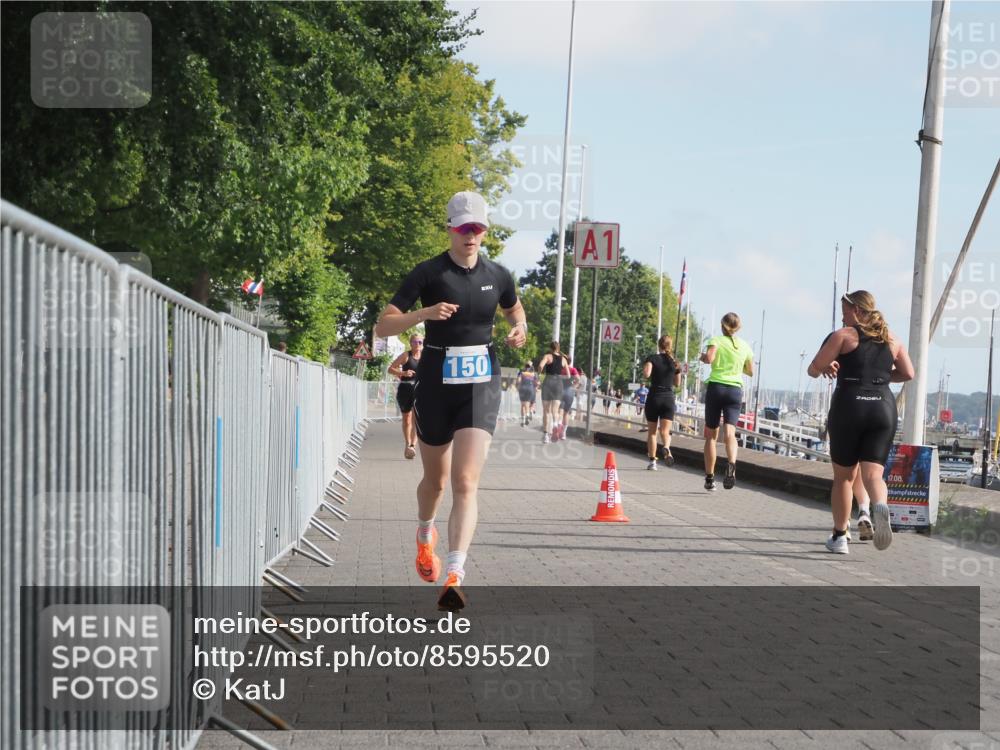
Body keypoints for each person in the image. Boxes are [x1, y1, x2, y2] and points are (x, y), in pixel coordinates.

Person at [374, 190, 527, 610]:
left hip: (481, 383)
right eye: (464, 229)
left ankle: (455, 575)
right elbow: (384, 326)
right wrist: (423, 314)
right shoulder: (428, 273)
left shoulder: (499, 274)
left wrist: (520, 329)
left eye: (478, 228)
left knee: (465, 481)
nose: (471, 236)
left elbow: (516, 311)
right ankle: (425, 532)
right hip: (436, 383)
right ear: (450, 230)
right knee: (436, 482)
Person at [807, 290, 914, 554]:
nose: (843, 317)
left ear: (857, 311)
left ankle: (840, 537)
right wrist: (879, 378)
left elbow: (813, 368)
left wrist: (827, 366)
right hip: (883, 407)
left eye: (845, 311)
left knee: (844, 478)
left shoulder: (843, 336)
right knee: (873, 475)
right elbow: (908, 373)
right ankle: (880, 507)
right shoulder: (892, 339)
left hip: (849, 405)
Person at [700, 313, 754, 491]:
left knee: (711, 436)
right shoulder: (745, 346)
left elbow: (709, 358)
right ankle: (731, 465)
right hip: (734, 390)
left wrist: (703, 357)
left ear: (723, 326)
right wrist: (736, 366)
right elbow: (750, 371)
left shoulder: (716, 340)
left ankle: (709, 478)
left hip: (717, 388)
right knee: (730, 432)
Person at [643, 335, 681, 470]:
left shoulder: (652, 358)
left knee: (652, 432)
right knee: (665, 431)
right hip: (668, 399)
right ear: (670, 346)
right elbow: (677, 383)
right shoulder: (675, 362)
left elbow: (647, 374)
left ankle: (653, 462)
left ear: (659, 345)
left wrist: (646, 368)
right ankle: (666, 448)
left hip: (654, 397)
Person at [388, 334, 423, 459]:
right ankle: (407, 444)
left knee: (417, 419)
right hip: (405, 389)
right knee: (407, 419)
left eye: (420, 342)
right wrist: (403, 372)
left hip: (420, 390)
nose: (417, 344)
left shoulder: (426, 356)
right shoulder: (405, 356)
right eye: (415, 342)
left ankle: (412, 446)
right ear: (410, 343)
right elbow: (390, 369)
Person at [537, 342, 568, 443]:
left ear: (550, 348)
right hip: (558, 384)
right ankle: (555, 425)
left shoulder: (548, 356)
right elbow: (568, 375)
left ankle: (546, 435)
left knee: (546, 411)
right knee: (555, 411)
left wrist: (539, 373)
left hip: (548, 382)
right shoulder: (563, 359)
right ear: (558, 349)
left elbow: (541, 366)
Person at [557, 360, 579, 440]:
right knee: (566, 413)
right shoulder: (573, 370)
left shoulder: (560, 369)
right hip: (569, 391)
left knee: (560, 410)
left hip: (561, 390)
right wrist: (573, 386)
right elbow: (578, 379)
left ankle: (558, 425)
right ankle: (563, 433)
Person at [515, 361, 537, 427]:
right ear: (531, 367)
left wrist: (518, 386)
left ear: (525, 366)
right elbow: (536, 383)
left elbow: (518, 381)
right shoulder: (533, 374)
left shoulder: (521, 372)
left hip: (522, 388)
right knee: (527, 403)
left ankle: (523, 420)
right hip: (530, 388)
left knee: (523, 405)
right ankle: (527, 414)